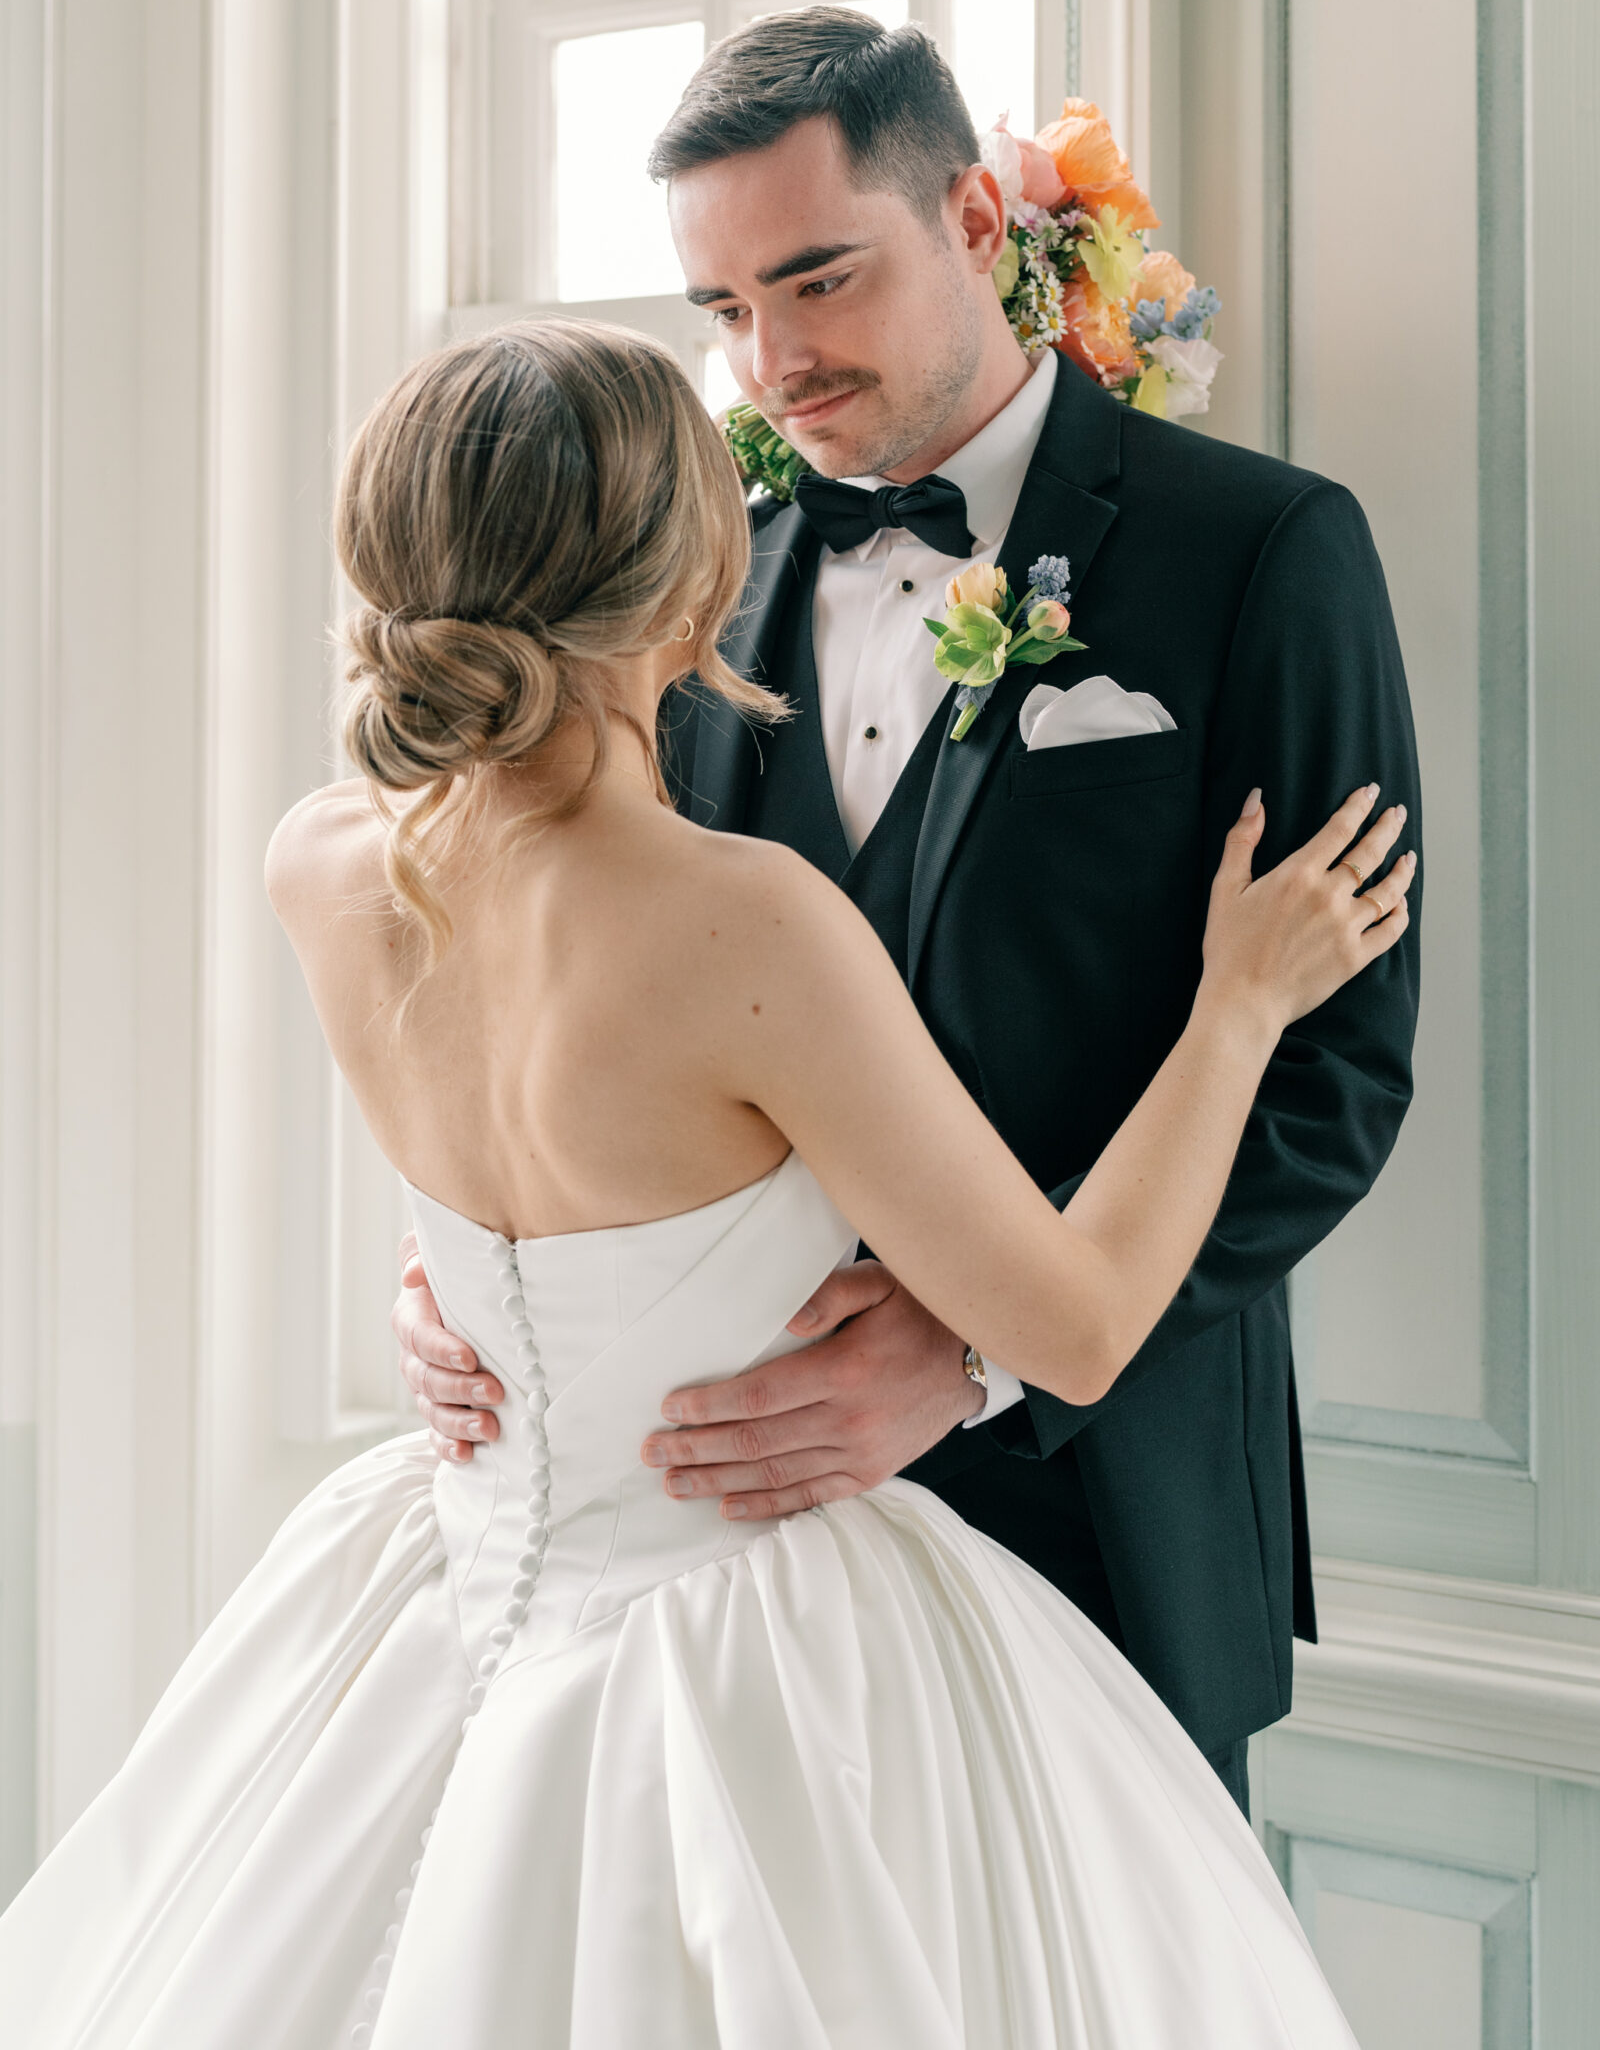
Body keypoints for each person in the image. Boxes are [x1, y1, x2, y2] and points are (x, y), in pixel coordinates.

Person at [0, 314, 1407, 2045]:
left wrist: (446, 1287)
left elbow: (507, 1183)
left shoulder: (321, 860)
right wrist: (1243, 1005)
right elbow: (1090, 1324)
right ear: (689, 593)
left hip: (441, 1580)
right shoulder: (748, 927)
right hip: (749, 1652)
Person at [397, 10, 1423, 1812]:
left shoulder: (1260, 550)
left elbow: (1333, 1076)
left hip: (1111, 1517)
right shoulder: (686, 565)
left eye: (816, 280)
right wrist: (484, 1274)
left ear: (966, 218)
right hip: (714, 1539)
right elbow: (564, 956)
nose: (771, 361)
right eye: (722, 311)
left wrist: (973, 1359)